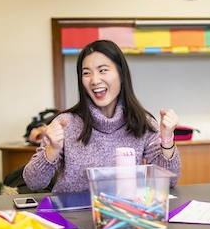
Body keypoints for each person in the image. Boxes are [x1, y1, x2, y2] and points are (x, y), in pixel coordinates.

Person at [23, 40, 181, 193]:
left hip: (124, 214)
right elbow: (33, 182)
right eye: (86, 73)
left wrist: (167, 139)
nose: (94, 80)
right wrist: (53, 149)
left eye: (103, 70)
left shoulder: (142, 123)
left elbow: (169, 181)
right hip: (71, 215)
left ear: (121, 73)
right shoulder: (66, 123)